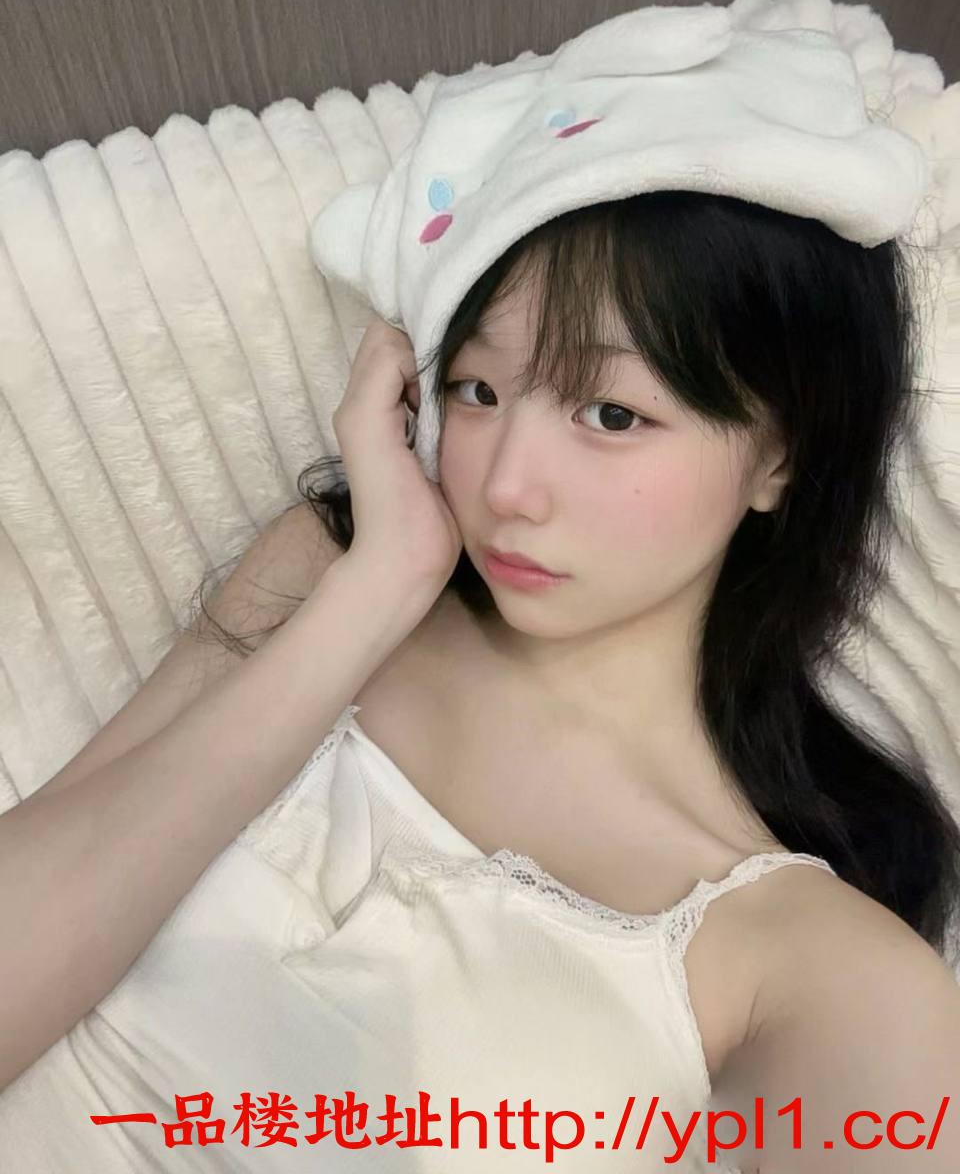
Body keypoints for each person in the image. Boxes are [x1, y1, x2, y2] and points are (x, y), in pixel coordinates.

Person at [1, 187, 959, 1172]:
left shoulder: (822, 973)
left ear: (780, 455)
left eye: (612, 413)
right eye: (477, 390)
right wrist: (376, 590)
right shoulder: (329, 576)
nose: (505, 485)